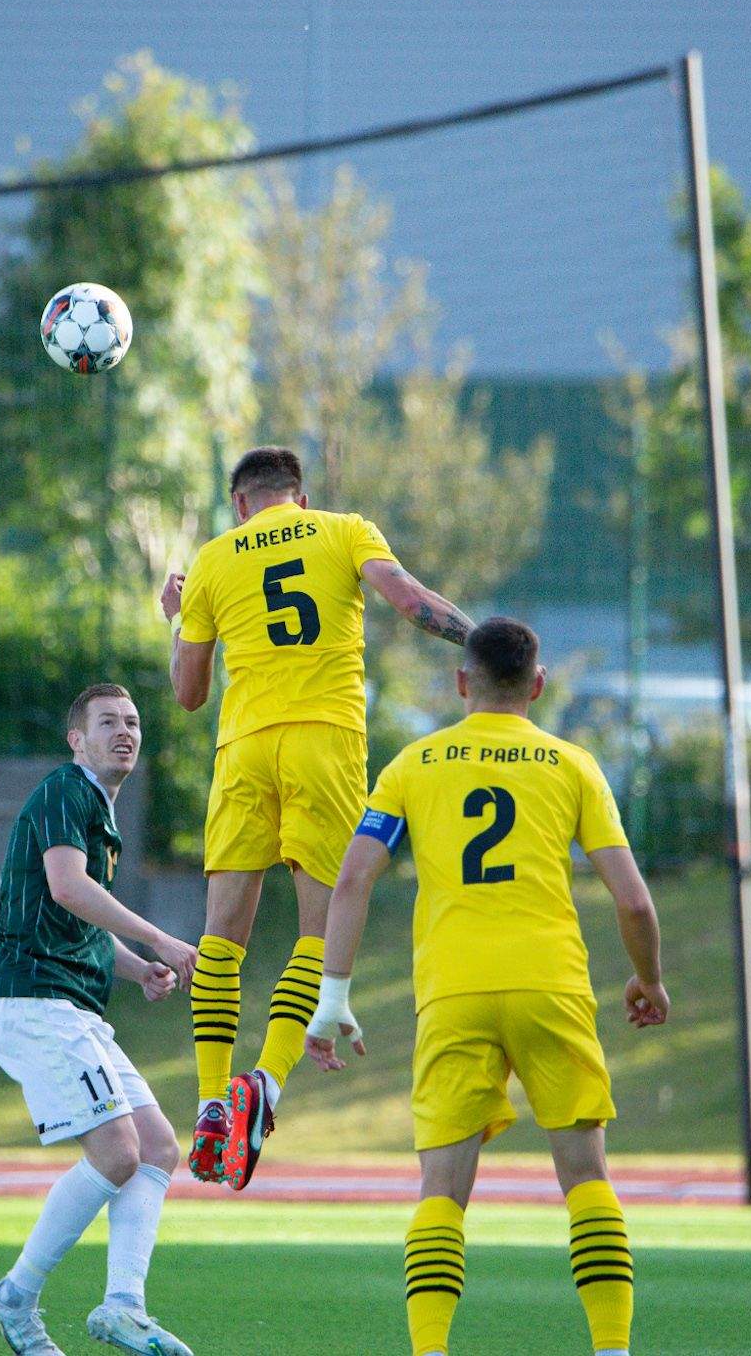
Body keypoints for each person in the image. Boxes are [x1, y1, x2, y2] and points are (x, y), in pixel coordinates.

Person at [303, 617, 669, 1356]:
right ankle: (612, 1350)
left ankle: (432, 1350)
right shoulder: (572, 765)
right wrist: (649, 981)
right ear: (537, 686)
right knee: (586, 1178)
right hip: (550, 986)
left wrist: (333, 996)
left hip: (453, 991)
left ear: (461, 681)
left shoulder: (414, 763)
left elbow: (351, 880)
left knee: (442, 1189)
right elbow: (633, 901)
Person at [159, 445, 472, 1189]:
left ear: (240, 504)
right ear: (299, 496)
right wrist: (479, 638)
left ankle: (208, 1097)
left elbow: (189, 693)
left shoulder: (210, 560)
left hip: (243, 749)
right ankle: (264, 1083)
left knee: (221, 939)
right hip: (324, 741)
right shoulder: (342, 531)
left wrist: (175, 619)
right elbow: (406, 598)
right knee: (318, 928)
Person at [0, 683, 201, 1356]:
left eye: (132, 722)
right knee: (117, 1152)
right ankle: (15, 1298)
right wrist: (162, 941)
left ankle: (123, 1307)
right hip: (33, 1003)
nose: (124, 731)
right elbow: (69, 888)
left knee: (158, 1149)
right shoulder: (66, 792)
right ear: (77, 739)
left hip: (69, 1008)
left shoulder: (97, 812)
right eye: (107, 722)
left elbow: (78, 920)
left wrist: (138, 970)